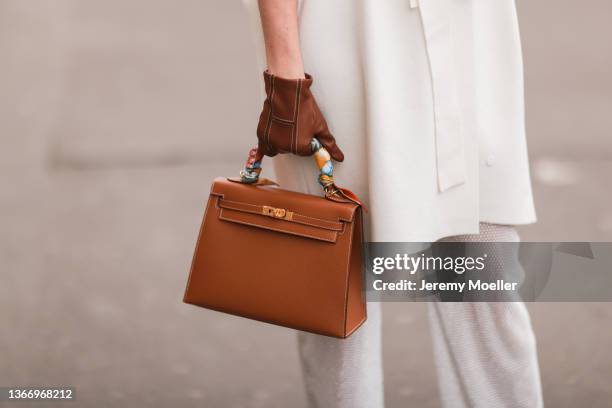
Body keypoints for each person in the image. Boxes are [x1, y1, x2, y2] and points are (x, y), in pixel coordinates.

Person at [242, 0, 544, 406]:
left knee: (485, 279)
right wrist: (285, 73)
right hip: (346, 30)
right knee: (337, 285)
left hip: (465, 30)